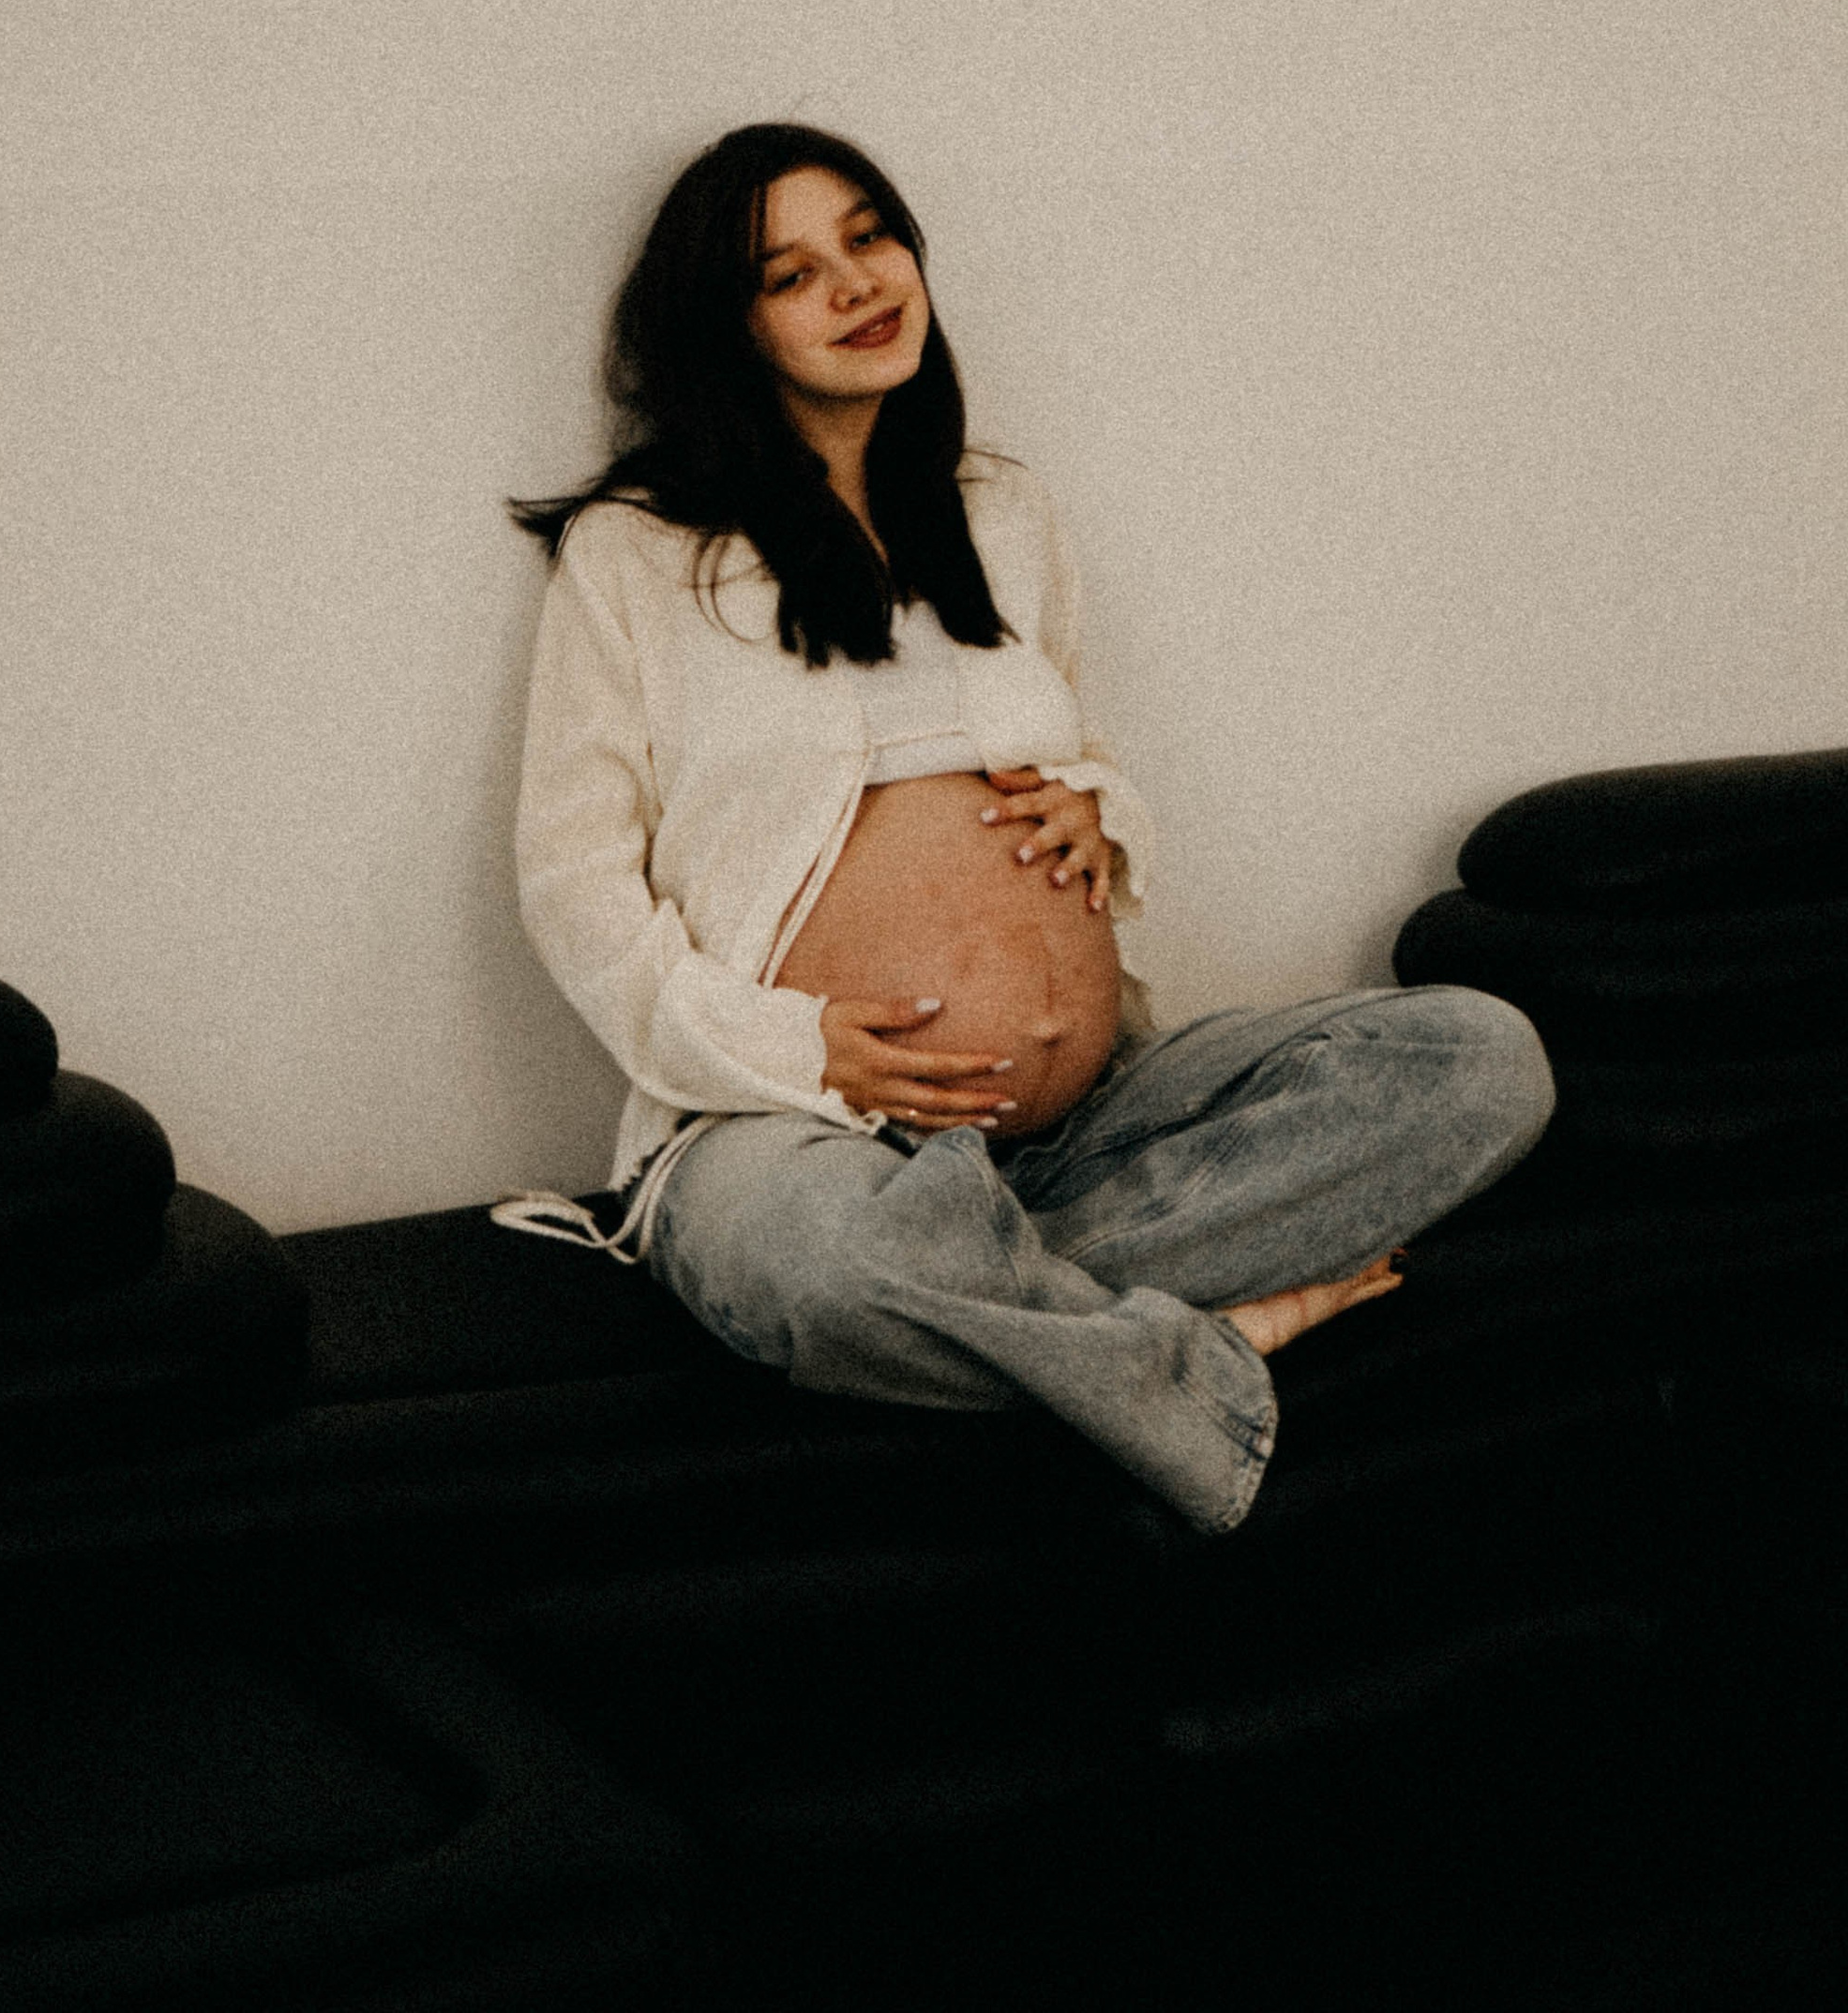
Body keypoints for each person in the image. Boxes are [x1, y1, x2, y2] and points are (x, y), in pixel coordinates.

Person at [496, 122, 1554, 1535]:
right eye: (792, 274)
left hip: (1090, 1117)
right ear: (727, 326)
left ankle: (1007, 1301)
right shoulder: (637, 553)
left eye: (870, 237)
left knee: (1482, 1060)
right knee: (825, 1271)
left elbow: (1083, 754)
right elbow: (572, 883)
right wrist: (788, 1044)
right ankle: (1215, 1348)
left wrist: (1099, 815)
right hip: (791, 1129)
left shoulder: (1004, 511)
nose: (859, 285)